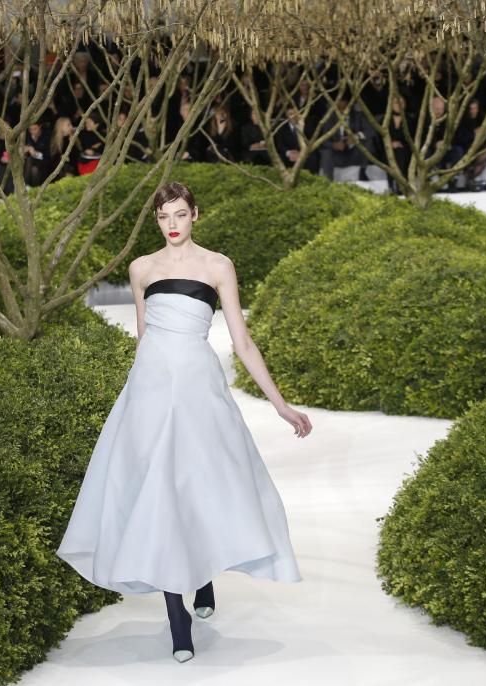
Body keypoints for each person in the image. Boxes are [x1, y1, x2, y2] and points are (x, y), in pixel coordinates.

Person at [56, 181, 310, 663]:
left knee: (197, 486)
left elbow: (243, 343)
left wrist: (280, 404)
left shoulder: (218, 266)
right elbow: (144, 336)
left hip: (198, 389)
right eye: (163, 217)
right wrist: (134, 396)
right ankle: (178, 617)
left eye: (179, 214)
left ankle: (203, 575)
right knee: (158, 493)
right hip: (150, 391)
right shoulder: (141, 269)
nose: (172, 225)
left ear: (196, 214)